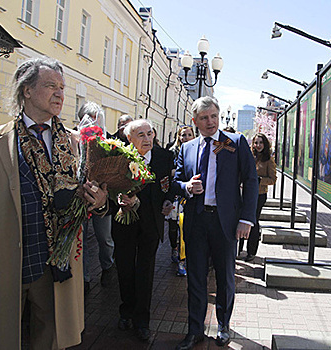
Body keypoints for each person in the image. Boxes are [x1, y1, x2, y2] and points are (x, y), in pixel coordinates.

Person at [0, 57, 108, 349]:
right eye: (51, 86)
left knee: (50, 339)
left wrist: (99, 201)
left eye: (62, 87)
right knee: (3, 339)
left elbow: (96, 197)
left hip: (56, 264)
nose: (60, 94)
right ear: (27, 91)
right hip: (5, 263)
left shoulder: (76, 143)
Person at [173, 96, 258, 349]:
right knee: (195, 278)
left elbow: (251, 180)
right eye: (204, 118)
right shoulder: (187, 148)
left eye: (213, 116)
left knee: (225, 277)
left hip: (226, 222)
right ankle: (195, 330)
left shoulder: (235, 142)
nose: (210, 122)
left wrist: (246, 218)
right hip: (196, 221)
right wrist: (186, 187)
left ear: (219, 117)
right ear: (194, 121)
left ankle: (223, 325)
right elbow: (176, 180)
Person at [110, 119, 174, 341]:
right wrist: (119, 199)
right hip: (124, 223)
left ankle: (142, 321)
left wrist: (167, 201)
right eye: (141, 135)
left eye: (150, 134)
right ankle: (126, 311)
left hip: (150, 225)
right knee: (125, 269)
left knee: (145, 272)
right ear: (129, 139)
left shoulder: (164, 157)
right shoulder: (118, 159)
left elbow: (167, 185)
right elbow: (109, 189)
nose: (147, 139)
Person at [77, 102, 115, 293]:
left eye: (96, 119)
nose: (93, 123)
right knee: (79, 240)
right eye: (90, 117)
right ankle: (83, 279)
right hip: (79, 199)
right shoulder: (73, 139)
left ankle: (107, 267)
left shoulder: (106, 143)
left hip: (101, 199)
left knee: (104, 237)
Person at [238, 133, 277, 262]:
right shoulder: (249, 156)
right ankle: (239, 249)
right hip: (245, 193)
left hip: (259, 194)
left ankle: (251, 251)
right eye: (256, 143)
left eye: (261, 143)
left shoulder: (268, 160)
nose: (258, 145)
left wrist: (259, 180)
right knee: (241, 219)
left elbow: (273, 179)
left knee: (253, 221)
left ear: (265, 144)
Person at [168, 126, 195, 276]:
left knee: (184, 229)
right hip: (175, 195)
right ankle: (174, 248)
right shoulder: (172, 151)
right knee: (173, 227)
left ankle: (183, 260)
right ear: (179, 137)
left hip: (189, 196)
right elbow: (170, 173)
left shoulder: (196, 150)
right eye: (183, 135)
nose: (186, 137)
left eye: (189, 135)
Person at [318, 95, 331, 185]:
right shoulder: (323, 128)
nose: (326, 114)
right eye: (326, 111)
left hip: (327, 161)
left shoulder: (329, 128)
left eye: (328, 111)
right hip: (322, 160)